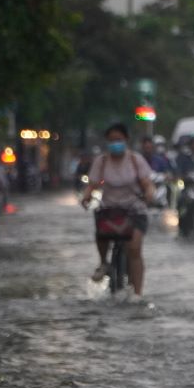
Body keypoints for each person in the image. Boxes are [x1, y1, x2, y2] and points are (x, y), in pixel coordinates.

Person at [81, 122, 155, 296]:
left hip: (134, 210)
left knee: (134, 248)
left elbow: (148, 184)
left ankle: (137, 293)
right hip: (110, 210)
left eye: (119, 139)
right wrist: (86, 196)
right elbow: (91, 185)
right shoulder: (102, 161)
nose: (115, 143)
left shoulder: (136, 160)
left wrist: (150, 195)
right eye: (112, 140)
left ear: (126, 140)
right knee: (100, 230)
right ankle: (103, 262)